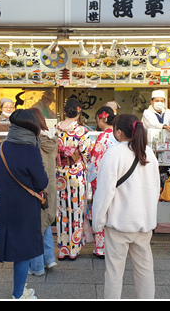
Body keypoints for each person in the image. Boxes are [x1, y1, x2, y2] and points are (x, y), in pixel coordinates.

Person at [92, 114, 160, 299]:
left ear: (119, 132)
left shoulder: (114, 154)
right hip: (143, 223)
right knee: (145, 270)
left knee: (114, 273)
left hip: (118, 224)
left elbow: (105, 192)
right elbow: (155, 188)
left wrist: (97, 222)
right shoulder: (149, 153)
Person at [0, 109, 49, 299]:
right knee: (24, 252)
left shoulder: (0, 148)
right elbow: (42, 183)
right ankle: (18, 295)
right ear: (32, 127)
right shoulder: (30, 150)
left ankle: (21, 288)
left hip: (5, 207)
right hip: (25, 208)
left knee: (17, 250)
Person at [55, 98, 92, 260]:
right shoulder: (81, 131)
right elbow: (87, 153)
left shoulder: (55, 129)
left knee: (61, 210)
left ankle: (63, 249)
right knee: (76, 210)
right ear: (78, 113)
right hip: (75, 174)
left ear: (64, 112)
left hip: (59, 173)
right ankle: (73, 249)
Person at [28, 108, 59, 276]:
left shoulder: (33, 140)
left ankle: (37, 266)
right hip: (49, 186)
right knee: (45, 222)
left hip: (36, 187)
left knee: (35, 226)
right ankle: (49, 258)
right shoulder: (51, 136)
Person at [86, 106, 118, 258]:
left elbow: (95, 162)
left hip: (104, 180)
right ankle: (115, 247)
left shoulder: (103, 137)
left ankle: (101, 248)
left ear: (100, 118)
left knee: (101, 212)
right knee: (114, 213)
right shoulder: (119, 134)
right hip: (119, 180)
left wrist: (92, 182)